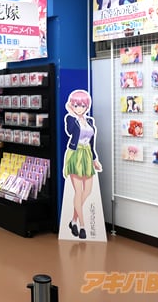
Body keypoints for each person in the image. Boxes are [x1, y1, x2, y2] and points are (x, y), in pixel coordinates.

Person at [63, 90, 102, 240]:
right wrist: (72, 113)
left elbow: (91, 144)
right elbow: (70, 132)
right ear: (72, 106)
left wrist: (94, 159)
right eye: (76, 105)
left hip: (86, 155)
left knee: (88, 191)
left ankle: (73, 220)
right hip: (75, 154)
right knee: (78, 192)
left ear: (87, 106)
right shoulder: (70, 119)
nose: (79, 108)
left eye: (82, 105)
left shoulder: (90, 121)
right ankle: (82, 226)